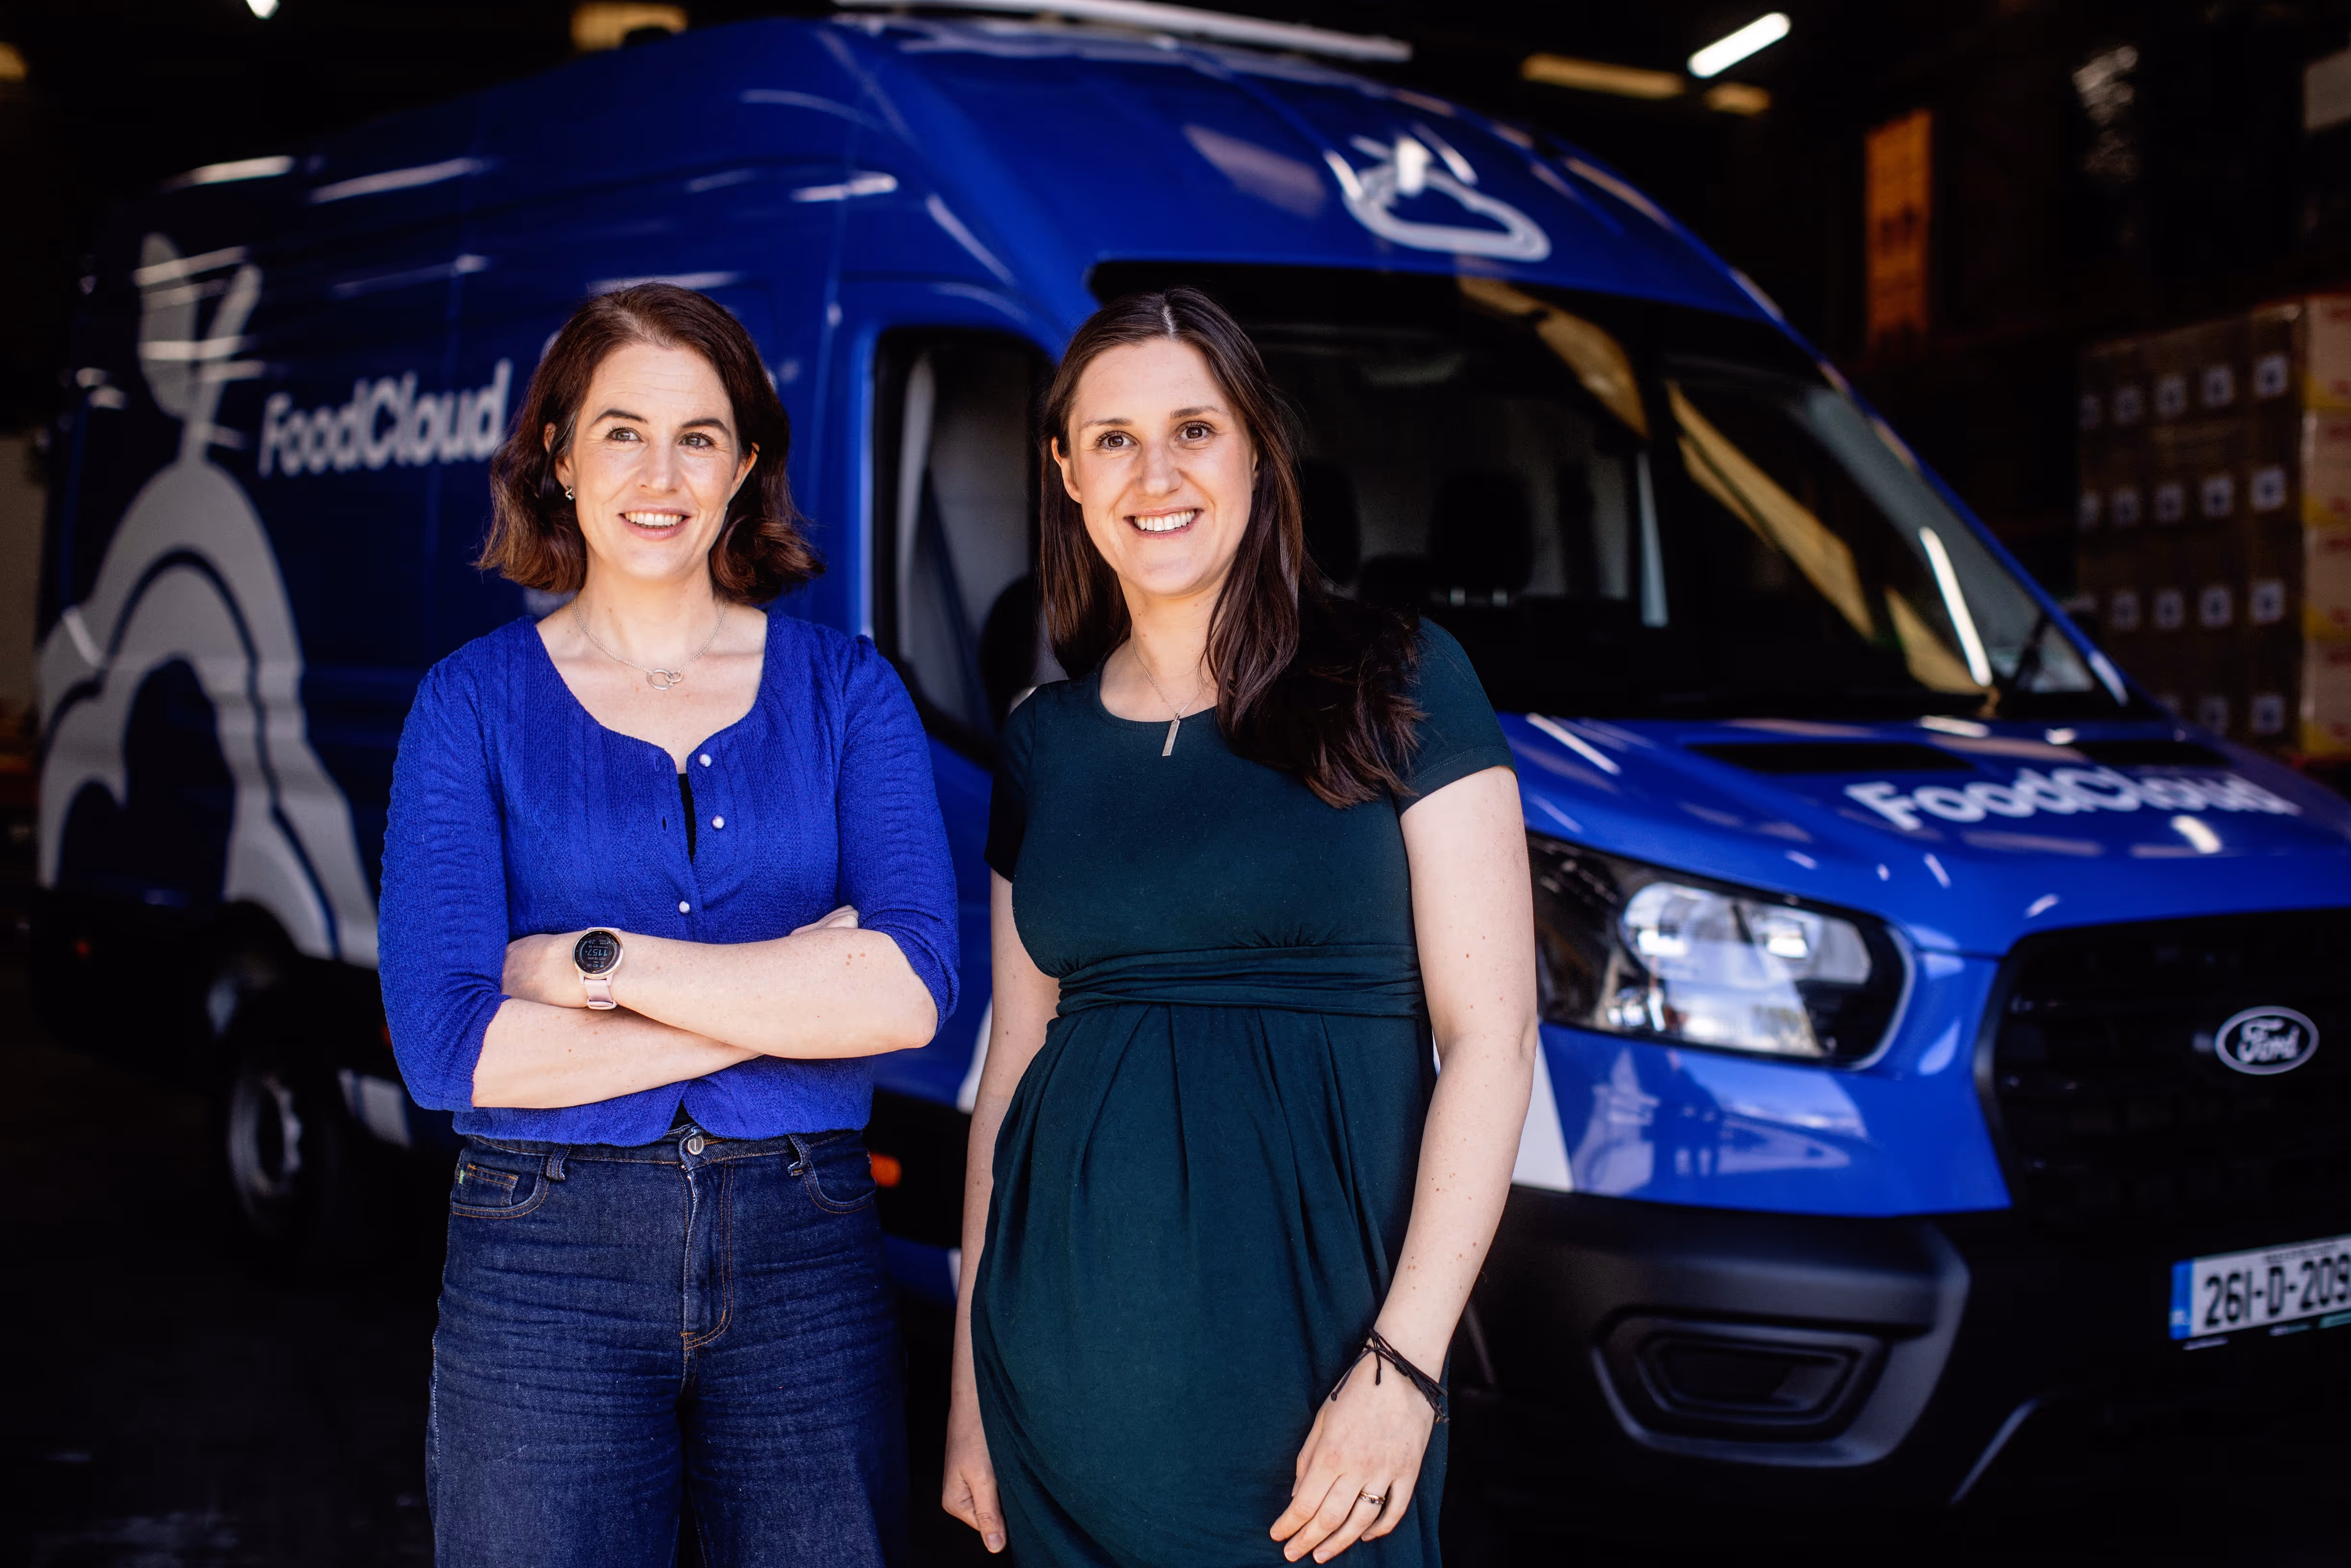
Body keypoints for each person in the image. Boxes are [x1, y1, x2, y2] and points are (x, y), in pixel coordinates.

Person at [942, 289, 1538, 1567]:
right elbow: (1012, 1071)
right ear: (1067, 472)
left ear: (1260, 452)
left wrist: (1405, 1368)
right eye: (1112, 439)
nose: (1154, 475)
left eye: (1193, 430)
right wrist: (965, 1394)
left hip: (1325, 1374)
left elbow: (1493, 1037)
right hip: (1055, 1370)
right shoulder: (1043, 743)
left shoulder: (1403, 675)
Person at [378, 283, 957, 1568]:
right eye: (622, 429)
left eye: (699, 436)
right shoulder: (466, 707)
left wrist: (605, 968)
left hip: (806, 1249)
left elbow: (912, 987)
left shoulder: (848, 690)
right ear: (558, 456)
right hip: (545, 1253)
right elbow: (449, 1049)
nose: (660, 472)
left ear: (747, 465)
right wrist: (794, 993)